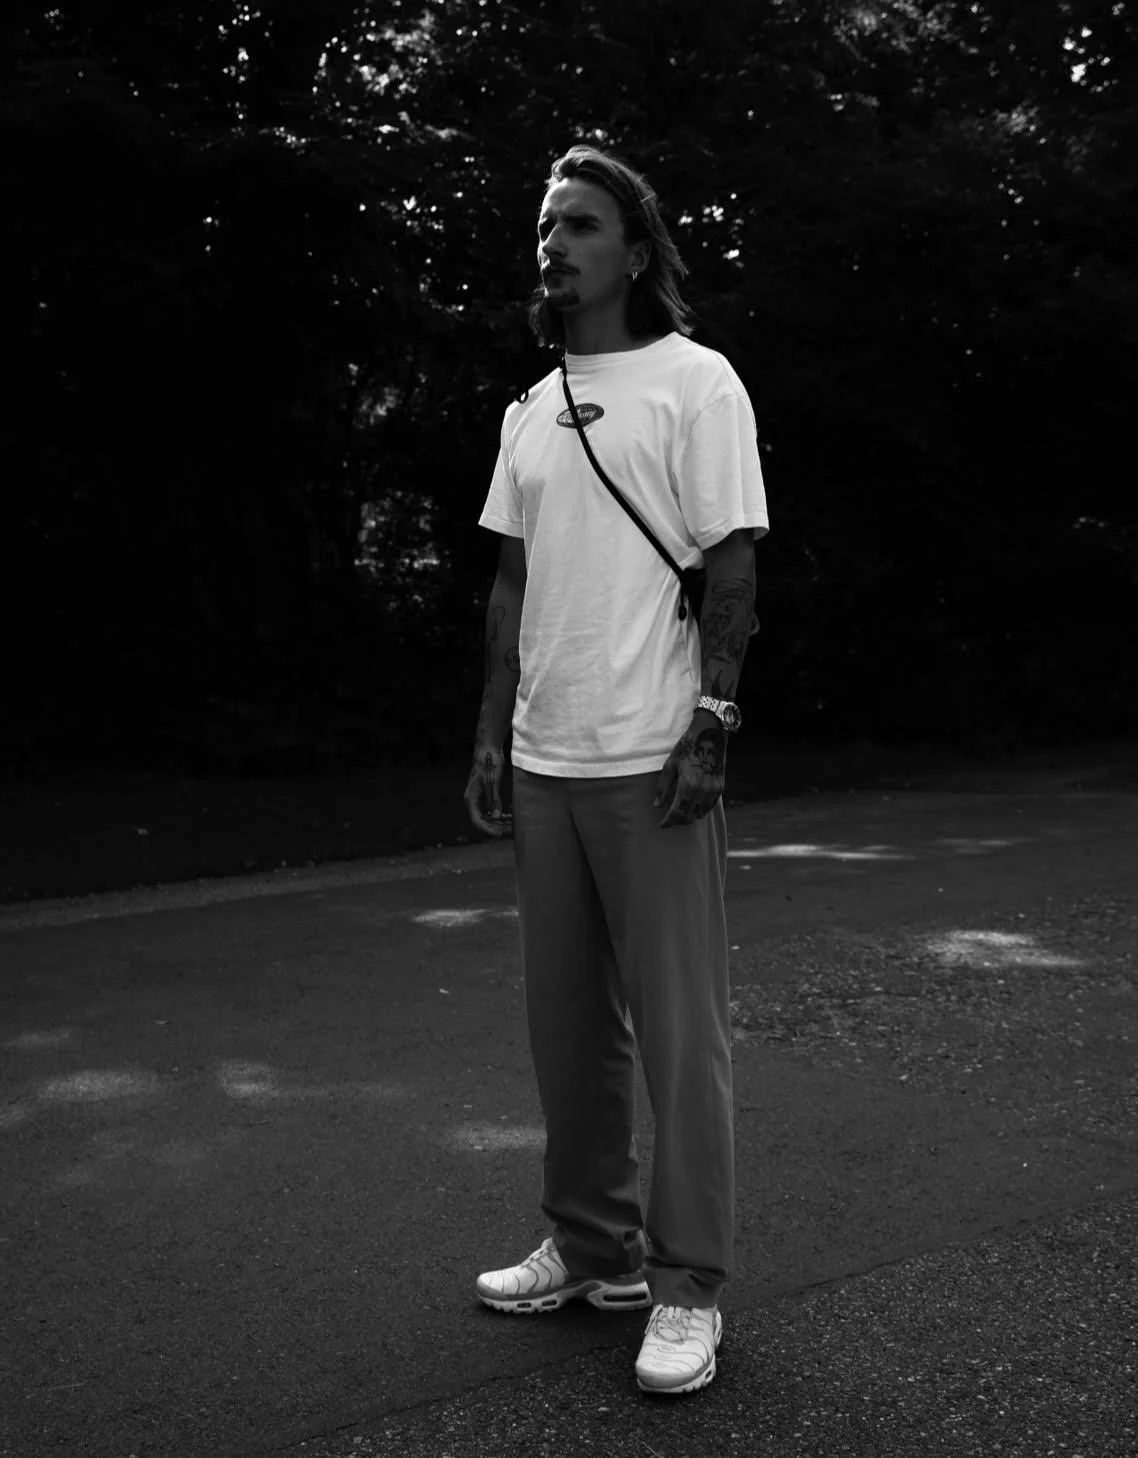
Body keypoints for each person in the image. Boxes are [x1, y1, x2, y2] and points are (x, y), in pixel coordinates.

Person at [463, 143, 769, 1398]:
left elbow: (734, 563)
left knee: (680, 1038)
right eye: (545, 225)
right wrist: (491, 731)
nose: (555, 243)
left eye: (580, 224)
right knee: (567, 1028)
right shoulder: (528, 411)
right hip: (545, 757)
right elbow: (512, 583)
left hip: (652, 755)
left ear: (633, 253)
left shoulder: (697, 384)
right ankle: (596, 1250)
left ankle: (689, 1287)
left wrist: (713, 724)